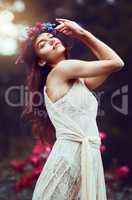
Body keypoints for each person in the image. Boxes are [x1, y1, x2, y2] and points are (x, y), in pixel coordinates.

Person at [16, 18, 124, 200]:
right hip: (68, 160)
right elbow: (116, 62)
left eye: (51, 37)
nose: (51, 40)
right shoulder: (62, 69)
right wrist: (81, 34)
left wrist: (82, 34)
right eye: (43, 44)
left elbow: (112, 63)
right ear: (41, 61)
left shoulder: (78, 81)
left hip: (82, 158)